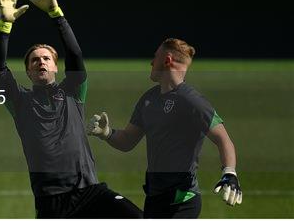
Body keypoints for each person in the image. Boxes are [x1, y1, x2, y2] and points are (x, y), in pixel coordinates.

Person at [0, 0, 142, 218]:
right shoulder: (20, 102)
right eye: (34, 60)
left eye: (46, 58)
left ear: (55, 67)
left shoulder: (73, 91)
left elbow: (75, 54)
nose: (41, 61)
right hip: (51, 202)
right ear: (28, 71)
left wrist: (56, 13)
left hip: (90, 192)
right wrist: (4, 26)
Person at [87, 38, 242, 218]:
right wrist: (106, 133)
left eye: (155, 57)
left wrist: (229, 173)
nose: (151, 62)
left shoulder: (192, 101)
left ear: (167, 60)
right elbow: (128, 140)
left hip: (182, 201)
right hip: (154, 197)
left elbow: (223, 139)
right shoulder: (148, 99)